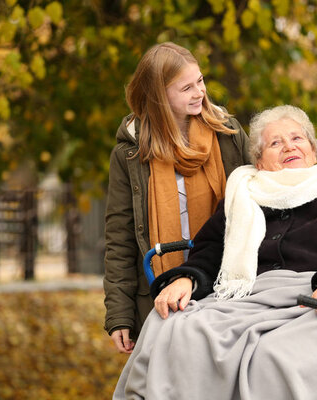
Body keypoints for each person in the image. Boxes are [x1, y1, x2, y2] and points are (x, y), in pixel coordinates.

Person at [113, 105, 317, 400]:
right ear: (259, 161)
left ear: (313, 150)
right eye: (275, 143)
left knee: (274, 356)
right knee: (172, 327)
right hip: (245, 300)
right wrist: (187, 279)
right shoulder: (243, 197)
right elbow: (210, 250)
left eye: (297, 139)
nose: (289, 146)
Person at [103, 42, 251, 354]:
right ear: (159, 95)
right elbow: (120, 238)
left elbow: (257, 202)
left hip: (225, 286)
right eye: (186, 88)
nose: (199, 92)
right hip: (160, 293)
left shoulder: (228, 134)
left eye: (200, 81)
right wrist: (119, 314)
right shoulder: (129, 154)